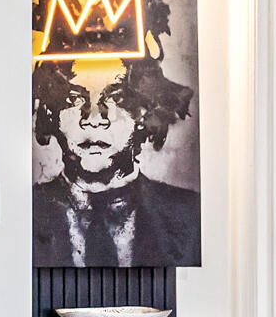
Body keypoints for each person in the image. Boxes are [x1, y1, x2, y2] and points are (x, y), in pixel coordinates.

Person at [32, 48, 200, 268]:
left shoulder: (189, 213)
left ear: (143, 114)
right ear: (51, 115)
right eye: (74, 99)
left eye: (115, 98)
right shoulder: (27, 211)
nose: (93, 119)